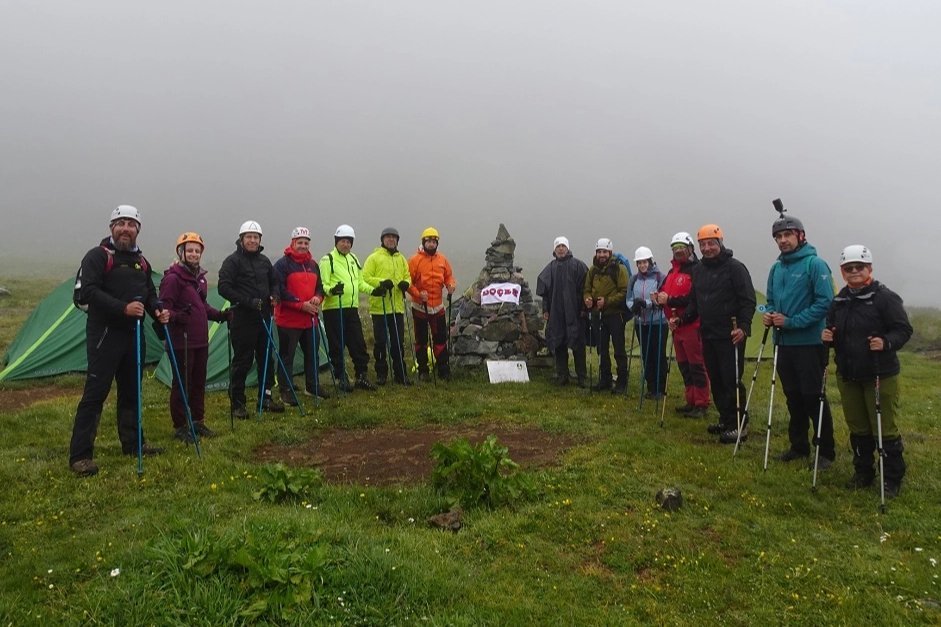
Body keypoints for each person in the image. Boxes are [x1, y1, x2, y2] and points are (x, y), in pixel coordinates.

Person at [69, 205, 170, 477]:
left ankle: (133, 444)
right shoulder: (98, 256)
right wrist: (122, 308)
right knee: (95, 393)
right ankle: (80, 455)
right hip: (104, 335)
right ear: (111, 227)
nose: (125, 228)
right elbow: (87, 291)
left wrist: (158, 308)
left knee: (131, 392)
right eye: (120, 223)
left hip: (133, 336)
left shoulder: (142, 262)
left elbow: (148, 292)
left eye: (131, 224)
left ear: (138, 229)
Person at [823, 245, 912, 498]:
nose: (854, 272)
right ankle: (863, 472)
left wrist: (886, 342)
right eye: (848, 268)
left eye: (859, 267)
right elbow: (832, 329)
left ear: (869, 269)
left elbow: (903, 330)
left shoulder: (884, 297)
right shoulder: (839, 300)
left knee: (883, 427)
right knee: (858, 427)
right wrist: (827, 336)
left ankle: (892, 478)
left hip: (879, 373)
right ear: (842, 272)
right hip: (848, 374)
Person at [671, 224, 756, 444]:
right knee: (716, 380)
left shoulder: (735, 268)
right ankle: (725, 419)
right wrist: (682, 319)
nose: (707, 248)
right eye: (703, 244)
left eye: (711, 243)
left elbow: (747, 300)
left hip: (730, 335)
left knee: (731, 380)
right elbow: (694, 304)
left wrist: (744, 327)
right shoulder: (699, 270)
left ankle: (739, 425)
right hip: (707, 333)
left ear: (720, 243)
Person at [764, 212, 836, 469]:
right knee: (792, 396)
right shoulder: (776, 268)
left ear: (800, 236)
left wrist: (791, 321)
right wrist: (770, 315)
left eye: (787, 235)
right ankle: (799, 445)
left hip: (809, 343)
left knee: (813, 396)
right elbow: (771, 299)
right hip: (783, 344)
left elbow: (825, 303)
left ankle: (825, 449)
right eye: (778, 237)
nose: (783, 240)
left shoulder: (815, 265)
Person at [158, 232, 229, 442]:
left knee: (198, 382)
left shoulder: (201, 278)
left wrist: (220, 316)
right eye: (189, 250)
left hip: (200, 340)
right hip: (181, 341)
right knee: (182, 384)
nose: (193, 254)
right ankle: (180, 426)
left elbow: (202, 306)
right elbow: (163, 309)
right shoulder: (172, 279)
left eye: (197, 251)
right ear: (181, 252)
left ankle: (198, 421)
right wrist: (178, 317)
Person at [218, 220, 283, 418]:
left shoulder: (264, 261)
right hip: (243, 319)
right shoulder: (232, 261)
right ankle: (238, 404)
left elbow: (274, 282)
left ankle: (266, 398)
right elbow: (223, 287)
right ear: (241, 239)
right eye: (249, 237)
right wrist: (248, 301)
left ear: (260, 240)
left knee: (266, 361)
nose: (253, 241)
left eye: (256, 237)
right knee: (242, 362)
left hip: (264, 318)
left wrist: (275, 296)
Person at [654, 232, 710, 418]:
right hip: (675, 326)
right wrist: (659, 298)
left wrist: (670, 299)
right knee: (684, 365)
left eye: (682, 248)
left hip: (692, 324)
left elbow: (694, 298)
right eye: (675, 249)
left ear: (690, 249)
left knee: (696, 365)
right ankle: (691, 400)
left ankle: (702, 403)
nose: (678, 252)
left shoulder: (697, 269)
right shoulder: (672, 272)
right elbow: (665, 292)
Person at [320, 224, 380, 392]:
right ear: (336, 242)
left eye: (348, 241)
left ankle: (362, 376)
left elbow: (360, 283)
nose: (345, 244)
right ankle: (342, 377)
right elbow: (322, 285)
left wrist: (374, 291)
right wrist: (332, 291)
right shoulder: (327, 260)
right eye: (342, 241)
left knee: (358, 343)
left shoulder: (353, 259)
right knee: (337, 345)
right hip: (333, 309)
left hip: (351, 308)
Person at [272, 227, 327, 404]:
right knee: (287, 356)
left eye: (306, 242)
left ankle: (312, 386)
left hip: (310, 320)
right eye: (300, 242)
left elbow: (320, 287)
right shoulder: (282, 264)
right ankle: (286, 390)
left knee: (312, 355)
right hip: (289, 320)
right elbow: (279, 290)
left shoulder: (313, 265)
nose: (303, 246)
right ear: (293, 243)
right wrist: (300, 305)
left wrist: (317, 298)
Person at [536, 237, 589, 387]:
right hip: (556, 313)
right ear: (554, 249)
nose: (560, 249)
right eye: (558, 246)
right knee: (559, 343)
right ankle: (562, 375)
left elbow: (586, 289)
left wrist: (584, 309)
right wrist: (545, 309)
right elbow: (545, 292)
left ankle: (581, 377)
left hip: (576, 313)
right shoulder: (550, 268)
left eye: (563, 246)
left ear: (568, 248)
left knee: (578, 344)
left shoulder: (578, 266)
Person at [408, 227, 457, 382]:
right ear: (423, 242)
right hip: (420, 307)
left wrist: (451, 285)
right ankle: (423, 371)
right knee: (421, 340)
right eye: (428, 241)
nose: (431, 244)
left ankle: (444, 370)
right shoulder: (415, 260)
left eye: (434, 241)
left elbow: (449, 277)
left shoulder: (442, 260)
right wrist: (417, 294)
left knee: (441, 339)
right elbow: (408, 282)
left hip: (438, 308)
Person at [363, 227, 412, 385]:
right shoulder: (374, 258)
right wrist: (381, 283)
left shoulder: (401, 259)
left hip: (397, 307)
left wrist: (407, 284)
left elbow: (407, 276)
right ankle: (381, 374)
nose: (391, 240)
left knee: (398, 342)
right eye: (388, 237)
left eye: (394, 237)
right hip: (380, 307)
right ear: (382, 240)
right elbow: (365, 277)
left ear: (397, 240)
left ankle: (400, 374)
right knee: (380, 342)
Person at [582, 238, 630, 393]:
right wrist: (588, 299)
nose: (601, 255)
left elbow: (624, 292)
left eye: (604, 252)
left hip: (615, 315)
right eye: (599, 252)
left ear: (610, 252)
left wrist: (607, 302)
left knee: (619, 349)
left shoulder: (619, 269)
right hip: (598, 315)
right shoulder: (592, 270)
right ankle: (605, 380)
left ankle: (622, 382)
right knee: (601, 349)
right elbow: (586, 289)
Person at [628, 246, 667, 399]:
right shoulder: (634, 279)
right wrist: (634, 307)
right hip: (640, 322)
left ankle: (660, 389)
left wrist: (646, 304)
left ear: (650, 261)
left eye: (645, 262)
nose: (642, 265)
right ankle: (651, 388)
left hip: (658, 322)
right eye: (639, 263)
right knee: (646, 355)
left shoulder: (660, 277)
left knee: (658, 355)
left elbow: (661, 298)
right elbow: (629, 298)